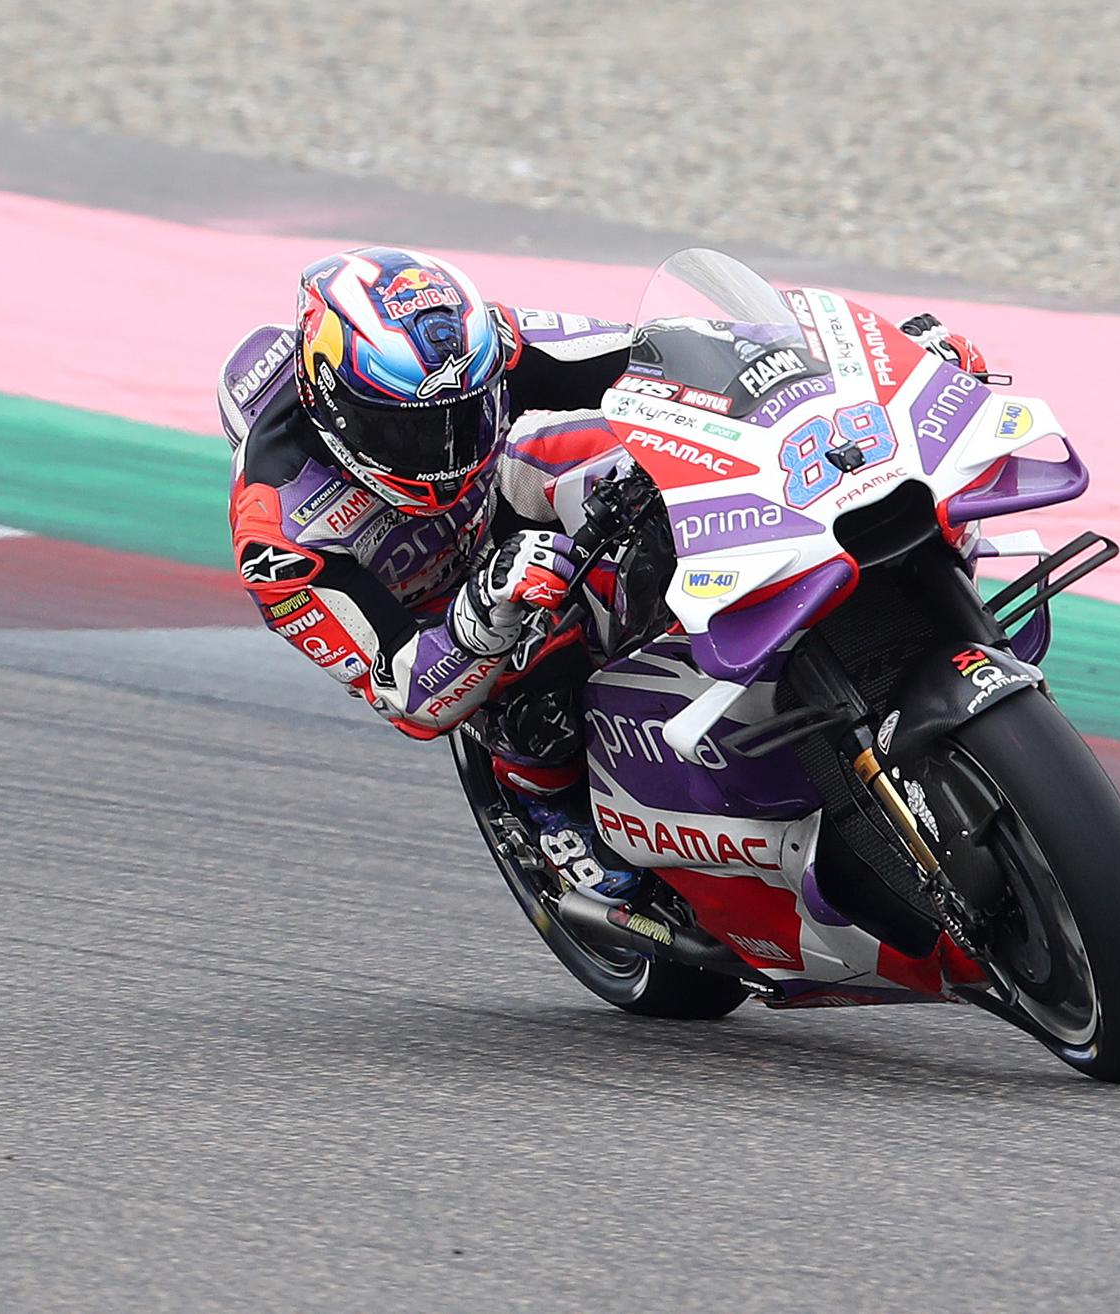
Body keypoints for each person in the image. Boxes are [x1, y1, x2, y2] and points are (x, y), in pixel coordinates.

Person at [219, 246, 990, 905]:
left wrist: (870, 370)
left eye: (466, 411)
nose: (448, 446)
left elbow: (671, 352)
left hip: (506, 503)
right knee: (531, 668)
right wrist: (478, 617)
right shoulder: (280, 530)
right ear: (336, 410)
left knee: (643, 455)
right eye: (409, 428)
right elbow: (403, 694)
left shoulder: (496, 350)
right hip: (440, 617)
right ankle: (553, 812)